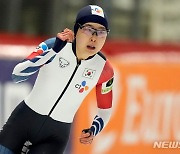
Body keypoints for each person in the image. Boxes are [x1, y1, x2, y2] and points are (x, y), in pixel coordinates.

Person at [0, 4, 114, 154]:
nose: (94, 38)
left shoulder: (104, 69)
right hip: (22, 123)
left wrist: (94, 129)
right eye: (88, 29)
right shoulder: (55, 45)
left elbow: (105, 109)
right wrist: (53, 51)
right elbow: (17, 75)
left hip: (54, 137)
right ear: (76, 30)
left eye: (101, 32)